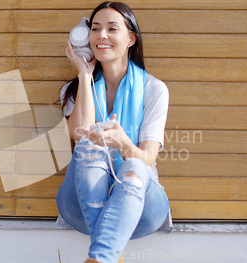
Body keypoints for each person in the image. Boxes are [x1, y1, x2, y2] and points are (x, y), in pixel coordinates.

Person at [56, 2, 173, 263]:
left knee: (137, 162)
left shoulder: (154, 90)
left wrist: (123, 143)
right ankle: (109, 254)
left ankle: (102, 255)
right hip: (81, 204)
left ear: (131, 38)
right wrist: (85, 76)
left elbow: (149, 158)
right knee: (89, 144)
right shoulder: (74, 89)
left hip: (140, 207)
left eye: (112, 28)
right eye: (95, 29)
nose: (102, 35)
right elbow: (78, 132)